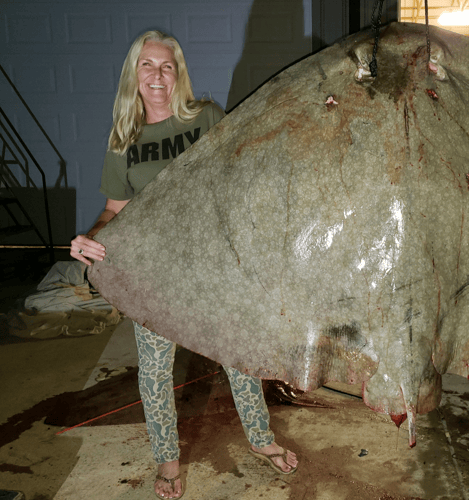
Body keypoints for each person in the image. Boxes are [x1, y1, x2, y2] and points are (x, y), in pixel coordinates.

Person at [70, 31, 298, 499]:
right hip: (154, 274)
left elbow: (242, 175)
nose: (157, 75)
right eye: (147, 66)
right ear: (135, 75)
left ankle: (260, 439)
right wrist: (92, 240)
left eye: (167, 66)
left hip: (214, 266)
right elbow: (115, 209)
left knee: (240, 357)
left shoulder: (207, 119)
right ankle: (168, 462)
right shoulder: (124, 141)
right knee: (154, 371)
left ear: (178, 74)